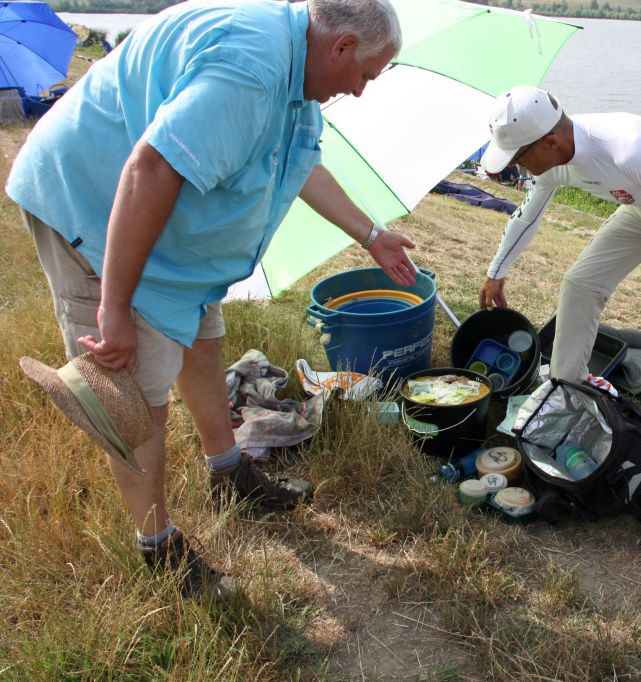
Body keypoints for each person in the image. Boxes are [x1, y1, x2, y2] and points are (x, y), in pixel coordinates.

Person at [6, 0, 416, 600]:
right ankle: (160, 549)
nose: (359, 92)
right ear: (343, 46)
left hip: (170, 237)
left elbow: (299, 166)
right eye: (365, 76)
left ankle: (227, 473)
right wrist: (114, 307)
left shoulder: (297, 82)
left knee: (202, 334)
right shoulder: (250, 67)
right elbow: (149, 169)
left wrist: (373, 237)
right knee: (132, 391)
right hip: (94, 209)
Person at [477, 87, 641, 472]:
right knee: (580, 283)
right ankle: (567, 388)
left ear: (550, 142)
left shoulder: (627, 149)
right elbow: (527, 215)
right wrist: (496, 272)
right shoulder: (552, 161)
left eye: (519, 157)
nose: (517, 167)